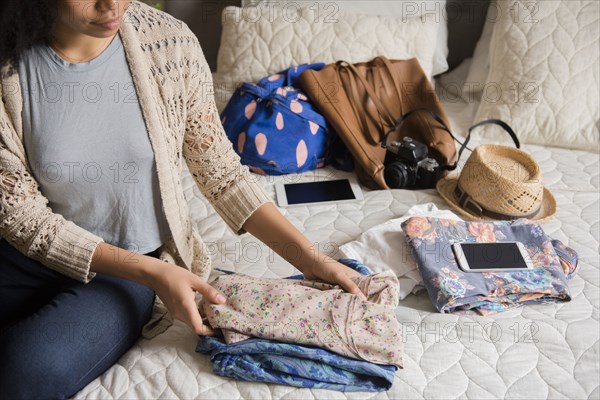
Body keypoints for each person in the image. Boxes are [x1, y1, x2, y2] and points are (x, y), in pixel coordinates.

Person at [0, 0, 364, 398]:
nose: (111, 5)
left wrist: (311, 259)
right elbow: (22, 219)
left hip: (131, 270)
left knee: (25, 372)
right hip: (26, 253)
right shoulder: (8, 64)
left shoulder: (168, 45)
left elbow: (222, 174)